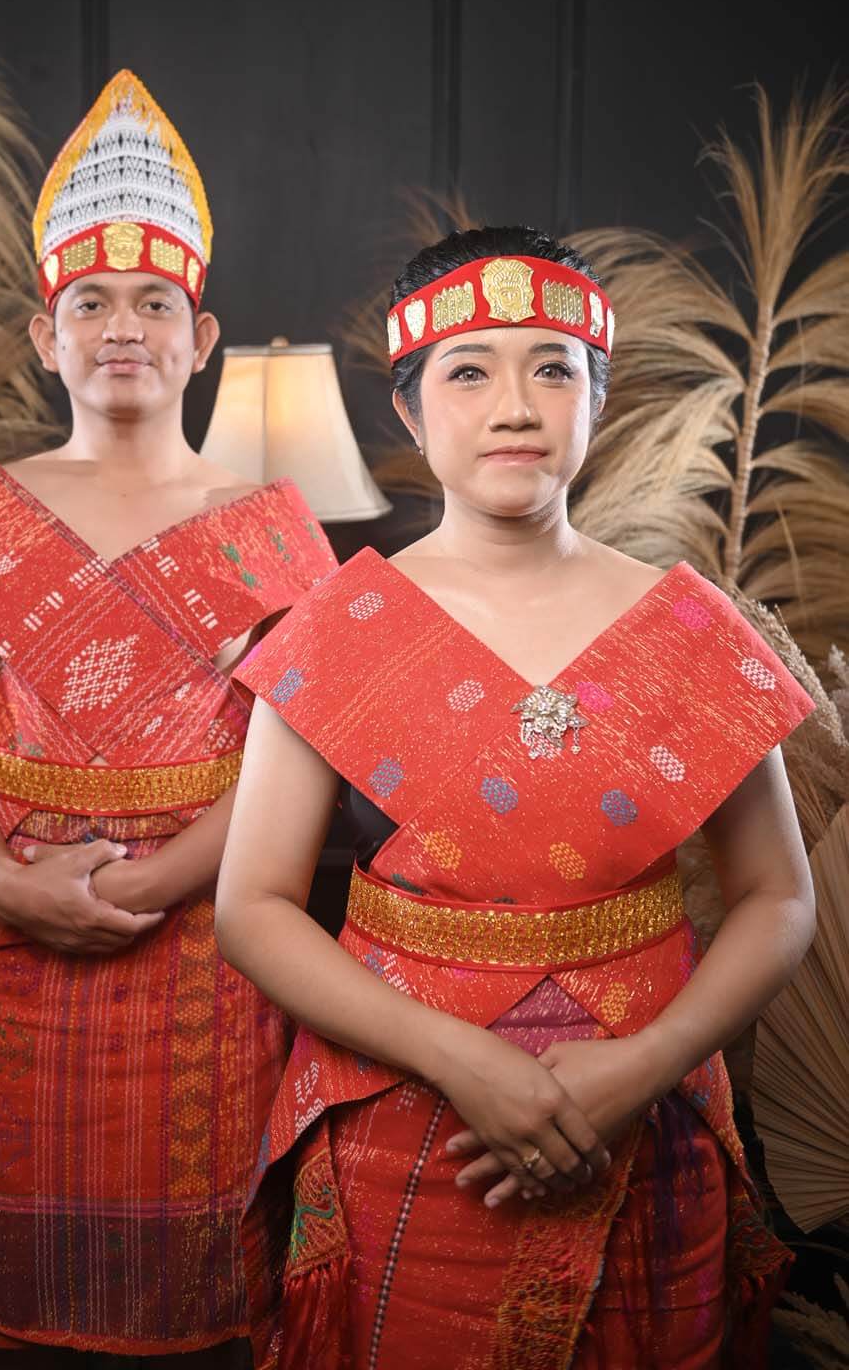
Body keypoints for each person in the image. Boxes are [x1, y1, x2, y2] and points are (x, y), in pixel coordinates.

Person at [215, 225, 817, 1369]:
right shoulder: (335, 630)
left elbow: (776, 898)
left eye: (551, 368)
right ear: (408, 410)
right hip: (406, 1121)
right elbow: (251, 906)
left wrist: (646, 1062)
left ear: (597, 399)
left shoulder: (688, 626)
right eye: (467, 371)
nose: (513, 407)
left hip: (647, 1124)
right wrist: (457, 1058)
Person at [0, 69, 336, 1362]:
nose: (122, 326)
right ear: (45, 335)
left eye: (153, 303)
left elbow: (294, 766)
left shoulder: (273, 532)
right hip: (5, 935)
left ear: (201, 335)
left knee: (200, 1286)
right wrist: (7, 885)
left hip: (205, 945)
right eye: (90, 302)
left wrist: (150, 884)